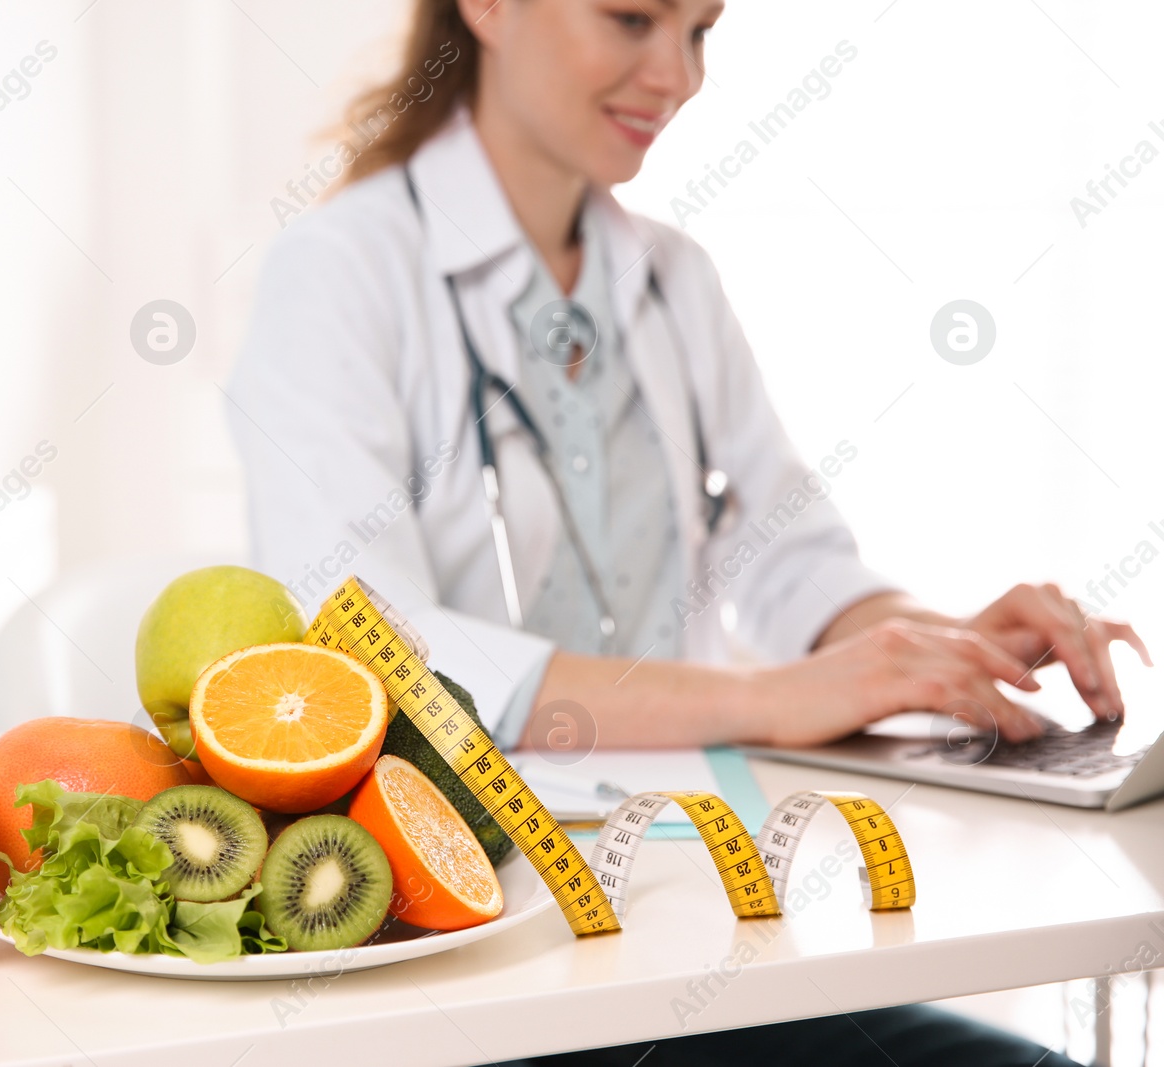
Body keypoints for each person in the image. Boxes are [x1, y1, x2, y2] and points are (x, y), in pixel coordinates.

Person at [227, 1, 1147, 1062]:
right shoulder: (339, 272)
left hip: (702, 908)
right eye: (631, 18)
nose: (678, 74)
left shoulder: (672, 277)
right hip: (483, 949)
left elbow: (796, 557)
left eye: (700, 30)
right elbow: (373, 653)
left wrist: (933, 643)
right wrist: (767, 698)